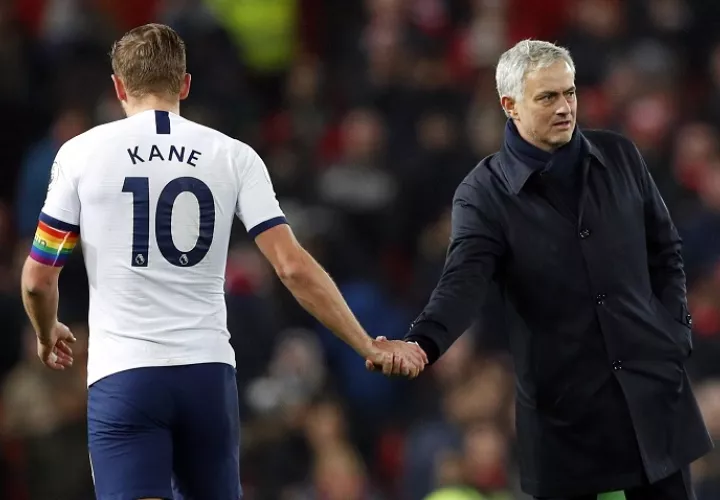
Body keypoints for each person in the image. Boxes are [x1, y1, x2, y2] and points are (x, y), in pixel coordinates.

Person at [19, 23, 427, 500]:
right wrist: (366, 344)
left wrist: (47, 335)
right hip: (206, 377)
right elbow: (292, 267)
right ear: (185, 84)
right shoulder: (234, 156)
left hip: (124, 376)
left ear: (118, 86)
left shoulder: (81, 155)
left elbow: (37, 280)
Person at [373, 40, 714, 500]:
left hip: (652, 399)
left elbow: (665, 251)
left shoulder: (621, 157)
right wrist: (422, 343)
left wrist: (675, 333)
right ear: (509, 106)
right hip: (565, 421)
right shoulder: (484, 193)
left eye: (569, 93)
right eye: (547, 97)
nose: (565, 108)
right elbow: (463, 284)